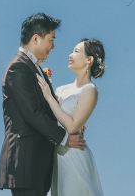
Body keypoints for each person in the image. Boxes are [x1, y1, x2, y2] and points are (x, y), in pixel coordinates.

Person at [0, 13, 87, 196]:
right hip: (25, 162)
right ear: (36, 38)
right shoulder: (18, 67)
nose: (53, 47)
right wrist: (65, 138)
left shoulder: (34, 68)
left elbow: (48, 110)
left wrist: (71, 123)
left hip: (37, 163)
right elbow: (33, 113)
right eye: (51, 40)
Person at [36, 38, 106, 196]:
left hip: (74, 156)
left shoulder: (90, 90)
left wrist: (49, 97)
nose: (70, 55)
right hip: (56, 156)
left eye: (76, 51)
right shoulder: (60, 89)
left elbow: (73, 126)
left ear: (89, 60)